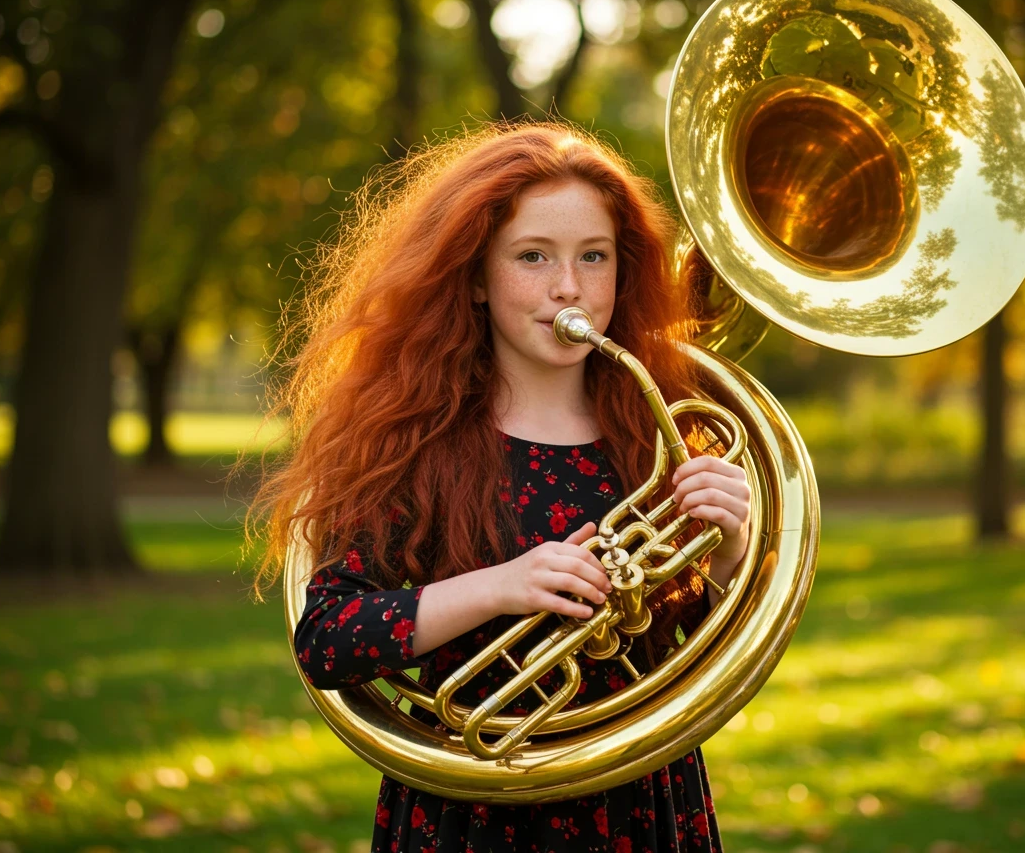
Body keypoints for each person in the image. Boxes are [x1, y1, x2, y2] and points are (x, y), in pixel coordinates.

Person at [244, 119, 751, 852]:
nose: (568, 286)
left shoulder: (657, 431)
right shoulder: (419, 441)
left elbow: (679, 649)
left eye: (594, 256)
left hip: (641, 799)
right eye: (533, 256)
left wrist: (730, 549)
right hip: (473, 812)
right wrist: (502, 586)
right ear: (477, 277)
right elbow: (328, 641)